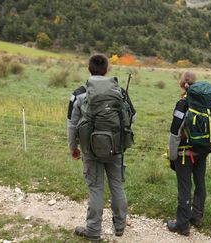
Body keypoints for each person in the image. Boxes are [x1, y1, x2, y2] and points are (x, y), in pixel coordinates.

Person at [67, 54, 135, 240]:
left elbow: (72, 124)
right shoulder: (119, 91)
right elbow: (132, 117)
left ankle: (93, 231)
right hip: (115, 148)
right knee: (117, 186)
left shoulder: (79, 93)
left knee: (96, 189)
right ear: (107, 69)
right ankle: (120, 226)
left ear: (89, 69)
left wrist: (73, 147)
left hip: (89, 149)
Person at [166, 71, 208, 236]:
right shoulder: (203, 102)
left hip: (185, 153)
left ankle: (182, 225)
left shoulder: (183, 103)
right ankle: (196, 217)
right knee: (200, 183)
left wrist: (172, 155)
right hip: (201, 151)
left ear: (182, 84)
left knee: (184, 187)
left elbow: (175, 131)